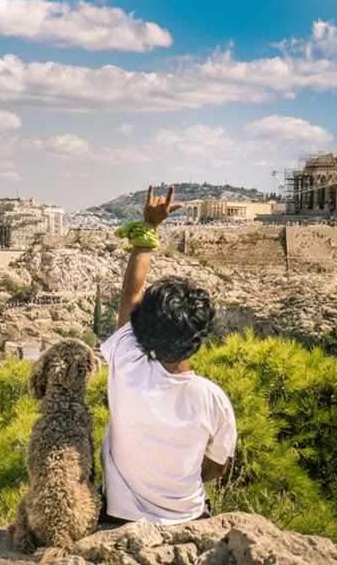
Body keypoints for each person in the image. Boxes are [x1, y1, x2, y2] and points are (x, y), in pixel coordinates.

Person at [99, 185, 237, 524]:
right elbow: (216, 468)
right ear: (200, 337)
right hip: (189, 518)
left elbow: (130, 296)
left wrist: (148, 229)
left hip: (121, 517)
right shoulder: (214, 400)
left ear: (143, 328)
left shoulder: (128, 364)